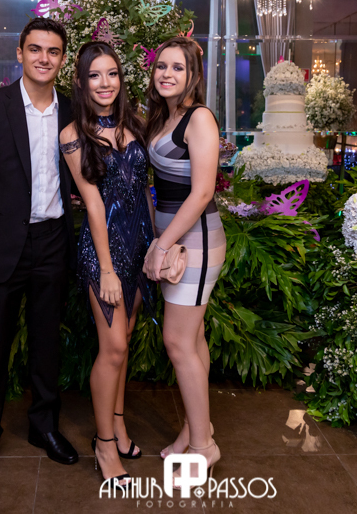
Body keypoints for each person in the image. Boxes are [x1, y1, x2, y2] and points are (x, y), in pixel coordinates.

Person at [0, 17, 79, 491]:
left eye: (53, 51)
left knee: (46, 345)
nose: (44, 58)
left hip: (53, 242)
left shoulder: (73, 110)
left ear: (62, 59)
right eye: (36, 49)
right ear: (20, 53)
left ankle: (44, 426)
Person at [59, 41, 154, 492]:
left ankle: (117, 424)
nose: (105, 83)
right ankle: (103, 444)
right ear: (80, 82)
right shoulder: (73, 134)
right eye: (95, 75)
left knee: (126, 340)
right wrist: (109, 268)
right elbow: (94, 204)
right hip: (104, 250)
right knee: (113, 348)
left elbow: (145, 190)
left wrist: (155, 248)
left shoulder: (135, 123)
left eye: (112, 73)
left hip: (138, 245)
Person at [143, 37, 224, 484]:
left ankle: (202, 448)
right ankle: (196, 429)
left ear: (193, 74)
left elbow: (203, 191)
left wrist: (161, 245)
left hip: (195, 241)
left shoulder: (199, 118)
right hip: (174, 238)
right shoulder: (164, 115)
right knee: (192, 341)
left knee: (177, 343)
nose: (167, 74)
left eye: (177, 67)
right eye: (161, 66)